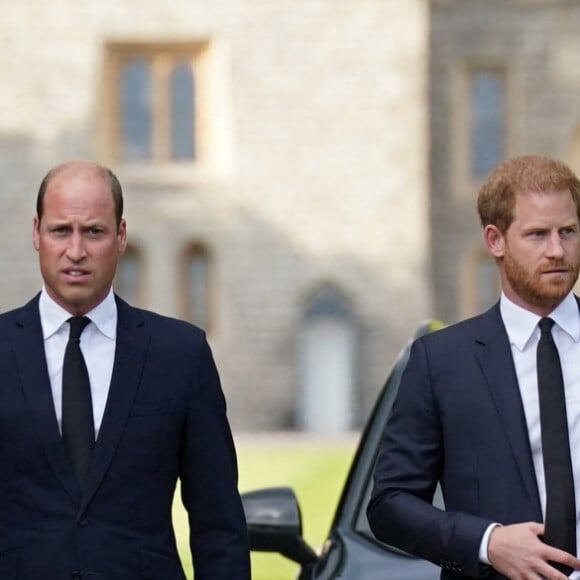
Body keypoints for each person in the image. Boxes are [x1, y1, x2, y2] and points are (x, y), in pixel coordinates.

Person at [0, 160, 251, 579]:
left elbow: (218, 525)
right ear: (36, 234)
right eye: (61, 230)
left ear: (120, 237)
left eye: (94, 232)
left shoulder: (180, 354)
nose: (76, 251)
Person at [367, 155, 580, 579]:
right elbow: (390, 502)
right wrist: (487, 542)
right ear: (495, 240)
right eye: (537, 234)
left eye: (568, 232)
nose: (557, 250)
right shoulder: (440, 362)